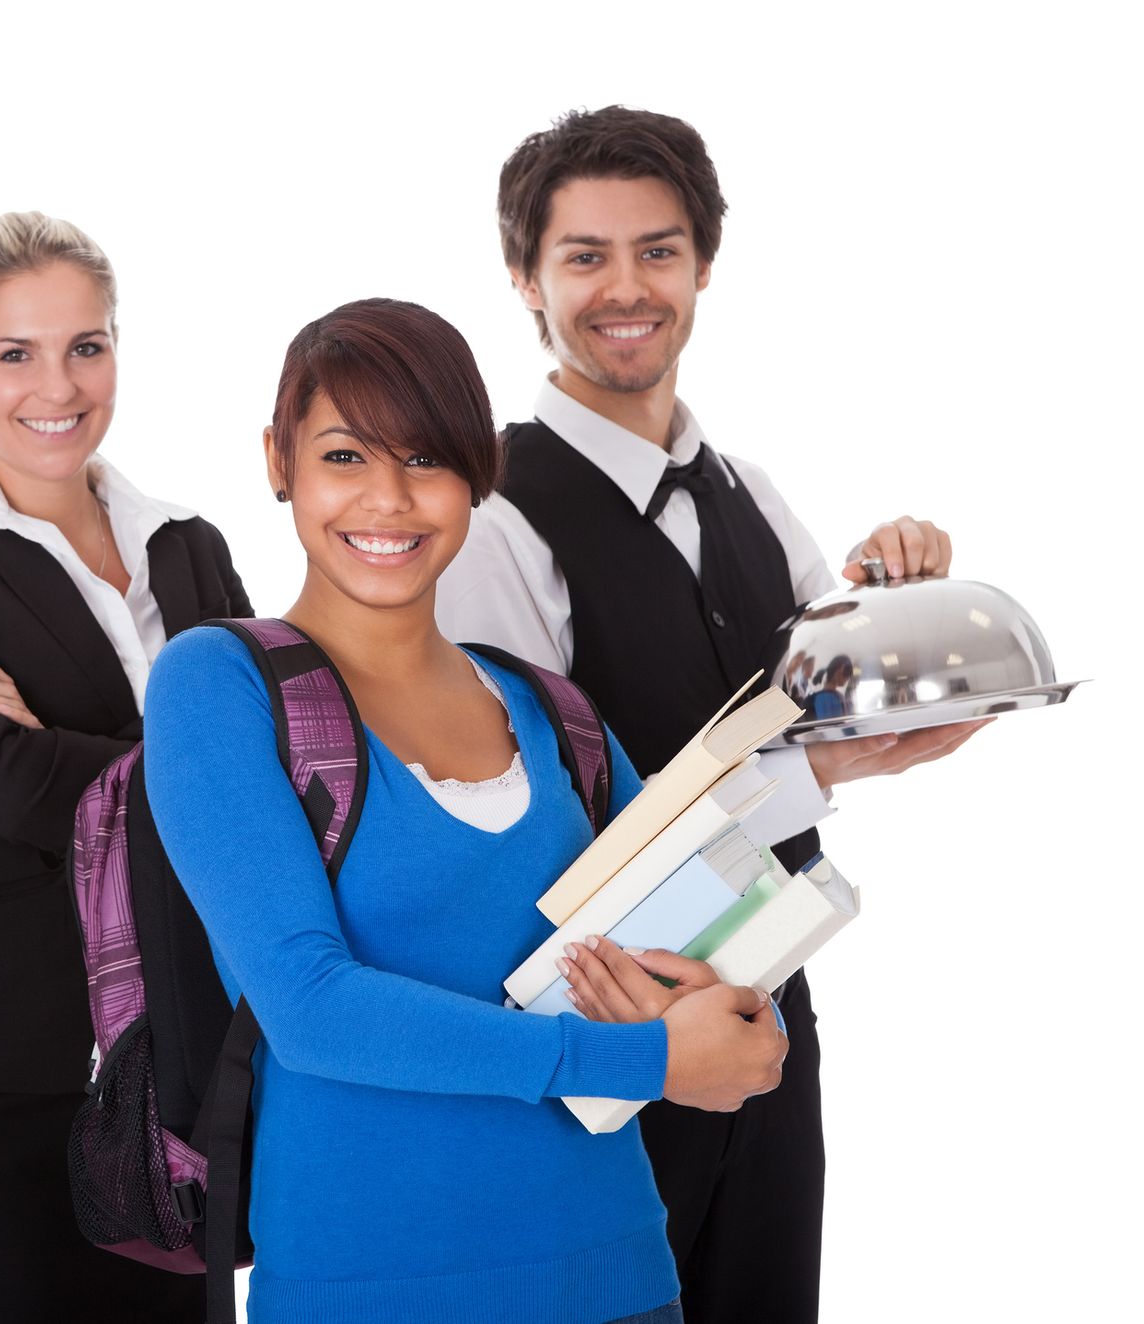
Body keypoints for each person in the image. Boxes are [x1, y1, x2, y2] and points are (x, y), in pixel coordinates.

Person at [435, 106, 985, 1323]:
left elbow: (815, 708)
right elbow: (539, 816)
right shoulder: (493, 516)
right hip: (609, 1032)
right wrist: (827, 778)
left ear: (702, 268)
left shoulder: (748, 488)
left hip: (770, 1000)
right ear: (526, 277)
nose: (625, 288)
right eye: (584, 255)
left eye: (658, 250)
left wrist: (899, 590)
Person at [142, 296, 788, 1324]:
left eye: (427, 460)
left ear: (478, 471)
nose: (388, 502)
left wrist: (737, 1014)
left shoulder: (554, 711)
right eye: (346, 457)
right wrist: (652, 1056)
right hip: (368, 1293)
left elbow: (706, 933)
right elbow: (311, 1006)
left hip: (621, 1280)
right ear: (279, 461)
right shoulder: (218, 686)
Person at [0, 211, 249, 1323]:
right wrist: (189, 766)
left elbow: (276, 784)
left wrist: (60, 745)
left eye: (86, 345)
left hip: (178, 1070)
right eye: (14, 352)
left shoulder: (188, 546)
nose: (55, 384)